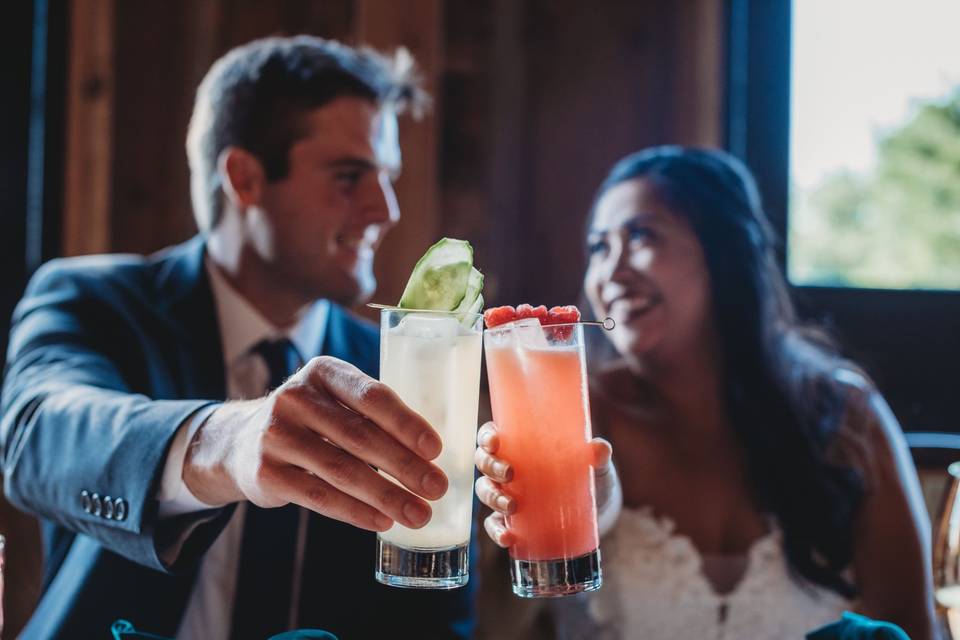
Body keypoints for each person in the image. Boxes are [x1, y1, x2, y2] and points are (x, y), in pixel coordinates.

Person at [1, 36, 475, 639]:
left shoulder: (394, 370)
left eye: (388, 178)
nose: (386, 210)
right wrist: (223, 443)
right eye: (351, 176)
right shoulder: (94, 301)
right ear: (245, 178)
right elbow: (38, 434)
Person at [474, 146, 936, 639]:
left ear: (725, 252)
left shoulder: (845, 414)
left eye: (641, 235)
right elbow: (502, 618)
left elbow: (911, 627)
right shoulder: (575, 411)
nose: (612, 271)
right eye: (599, 248)